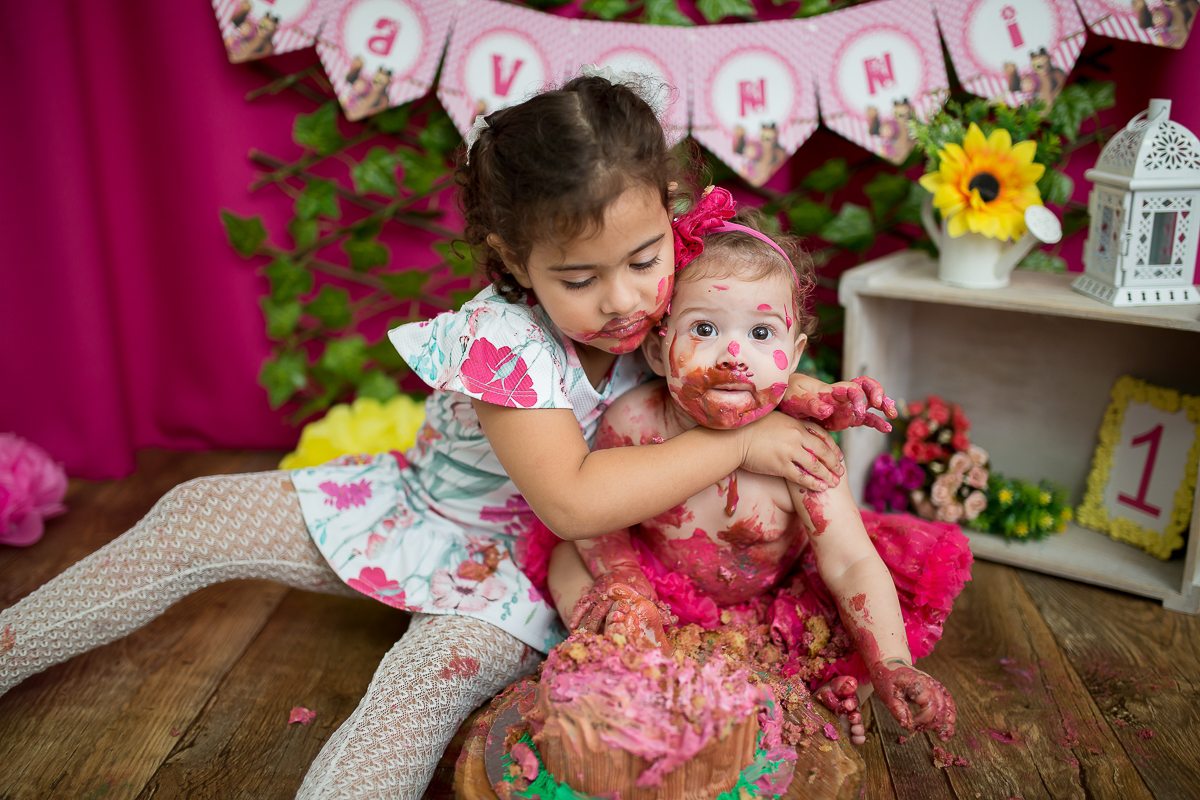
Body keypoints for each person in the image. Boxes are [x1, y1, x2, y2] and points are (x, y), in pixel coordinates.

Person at [0, 75, 891, 799]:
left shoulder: (672, 273)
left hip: (535, 573)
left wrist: (806, 394)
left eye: (645, 261)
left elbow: (733, 348)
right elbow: (569, 492)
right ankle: (12, 647)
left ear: (672, 211)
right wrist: (736, 447)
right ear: (513, 262)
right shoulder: (503, 342)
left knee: (413, 696)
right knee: (193, 514)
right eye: (579, 278)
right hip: (425, 507)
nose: (624, 302)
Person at [546, 188, 972, 747]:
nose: (732, 354)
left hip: (769, 603)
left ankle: (843, 686)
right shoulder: (634, 422)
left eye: (760, 333)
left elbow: (848, 562)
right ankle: (614, 646)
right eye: (703, 329)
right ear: (658, 349)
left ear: (793, 357)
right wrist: (624, 581)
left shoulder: (801, 449)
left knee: (857, 627)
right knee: (565, 558)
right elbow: (603, 518)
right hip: (653, 586)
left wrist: (890, 661)